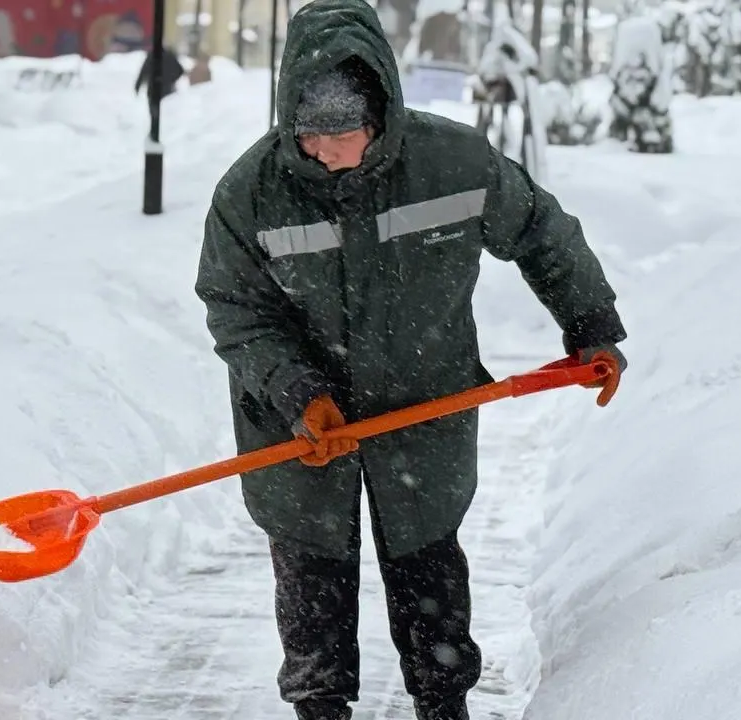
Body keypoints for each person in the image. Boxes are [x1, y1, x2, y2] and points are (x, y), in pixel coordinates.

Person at [192, 1, 627, 719]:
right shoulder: (252, 192)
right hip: (298, 427)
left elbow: (541, 231)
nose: (325, 150)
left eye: (343, 133)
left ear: (380, 114)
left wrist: (589, 326)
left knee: (427, 567)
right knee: (312, 580)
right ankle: (320, 706)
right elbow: (235, 308)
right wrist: (298, 391)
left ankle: (442, 701)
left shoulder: (451, 163)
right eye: (310, 134)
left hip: (423, 405)